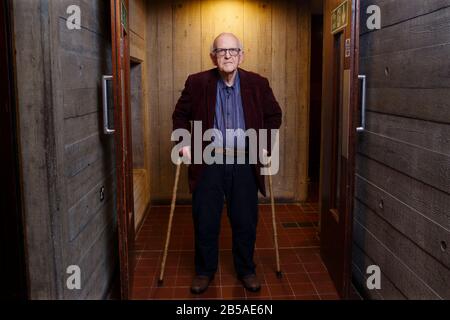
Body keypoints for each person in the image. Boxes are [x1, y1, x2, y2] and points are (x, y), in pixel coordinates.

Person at [172, 33, 283, 294]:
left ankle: (246, 269)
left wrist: (266, 141)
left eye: (233, 50)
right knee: (206, 219)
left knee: (245, 219)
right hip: (208, 161)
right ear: (213, 56)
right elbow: (179, 115)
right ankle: (204, 270)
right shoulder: (197, 82)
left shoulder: (258, 83)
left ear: (242, 55)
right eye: (222, 51)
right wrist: (184, 142)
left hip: (244, 161)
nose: (228, 55)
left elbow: (274, 115)